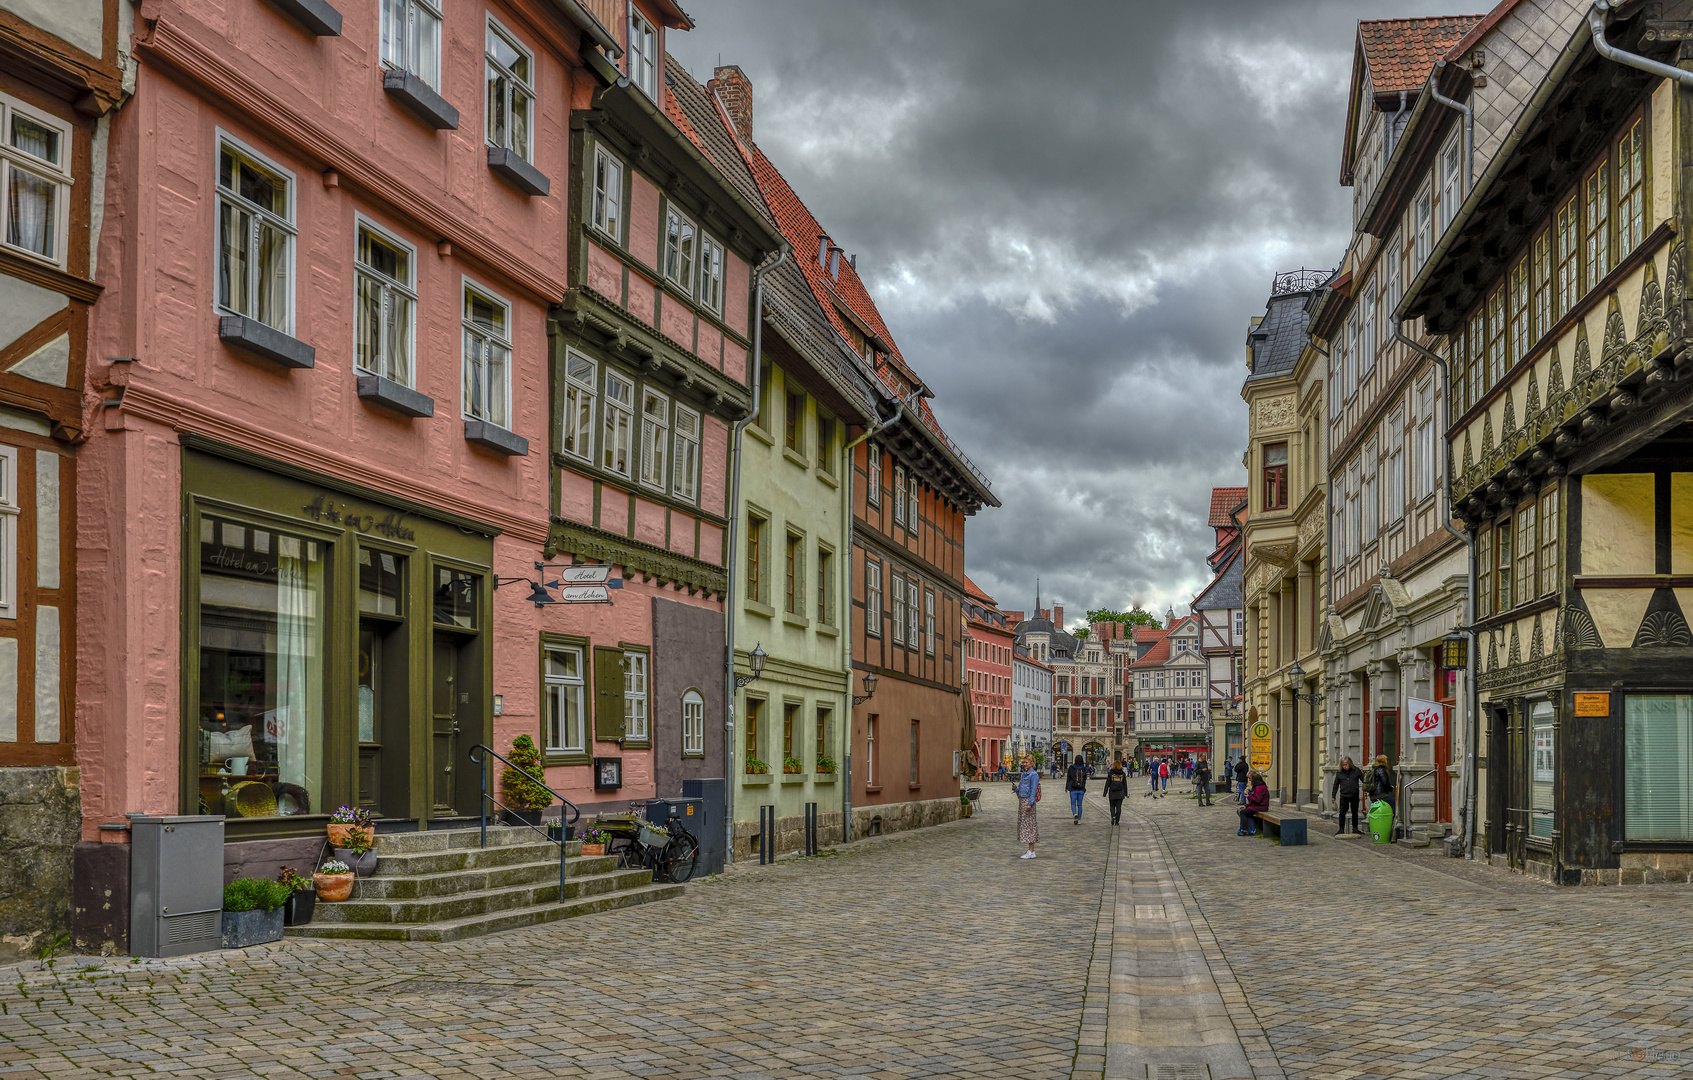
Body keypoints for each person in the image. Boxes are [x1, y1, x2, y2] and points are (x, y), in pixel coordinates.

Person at [1331, 756, 1365, 835]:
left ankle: (1355, 828)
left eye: (1346, 764)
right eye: (1343, 765)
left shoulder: (1356, 770)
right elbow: (1336, 785)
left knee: (1355, 812)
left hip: (1354, 794)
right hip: (1344, 795)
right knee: (1342, 813)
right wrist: (1333, 796)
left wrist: (1367, 787)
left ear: (1350, 764)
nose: (1345, 767)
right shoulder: (1339, 773)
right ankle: (1341, 829)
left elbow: (1364, 779)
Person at [1016, 756, 1041, 858]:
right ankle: (1030, 850)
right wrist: (1016, 788)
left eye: (1026, 762)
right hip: (1022, 800)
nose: (1024, 764)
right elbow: (1021, 786)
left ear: (1031, 763)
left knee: (1029, 825)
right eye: (1024, 762)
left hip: (1028, 802)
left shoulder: (1033, 775)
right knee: (1025, 825)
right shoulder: (1024, 774)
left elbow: (1033, 790)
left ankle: (1031, 851)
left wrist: (1030, 803)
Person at [1238, 770, 1269, 835]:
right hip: (1258, 806)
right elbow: (1254, 800)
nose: (1249, 780)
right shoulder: (1258, 786)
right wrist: (1246, 805)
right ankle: (1249, 829)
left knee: (1243, 812)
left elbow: (1257, 800)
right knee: (1243, 811)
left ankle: (1245, 829)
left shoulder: (1259, 787)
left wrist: (1248, 796)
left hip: (1260, 807)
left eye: (1250, 778)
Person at [1103, 755, 1129, 825]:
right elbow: (1125, 784)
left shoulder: (1110, 773)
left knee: (1112, 806)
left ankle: (1113, 816)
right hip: (1120, 792)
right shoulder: (1122, 774)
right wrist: (1126, 793)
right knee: (1119, 807)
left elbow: (1107, 783)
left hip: (1112, 792)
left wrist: (1104, 793)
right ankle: (1117, 821)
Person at [1065, 754, 1089, 824]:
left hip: (1073, 789)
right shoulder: (1084, 768)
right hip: (1081, 789)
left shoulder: (1071, 767)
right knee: (1080, 804)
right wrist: (1083, 787)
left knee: (1073, 803)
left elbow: (1068, 778)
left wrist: (1066, 787)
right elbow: (1085, 779)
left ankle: (1075, 813)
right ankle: (1079, 820)